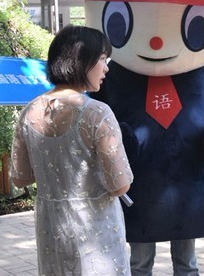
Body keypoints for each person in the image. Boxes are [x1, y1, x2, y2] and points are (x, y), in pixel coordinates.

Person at [10, 24, 134, 275]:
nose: (106, 68)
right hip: (95, 231)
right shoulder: (97, 113)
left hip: (52, 229)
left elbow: (20, 178)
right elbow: (120, 186)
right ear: (82, 61)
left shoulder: (29, 111)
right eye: (102, 59)